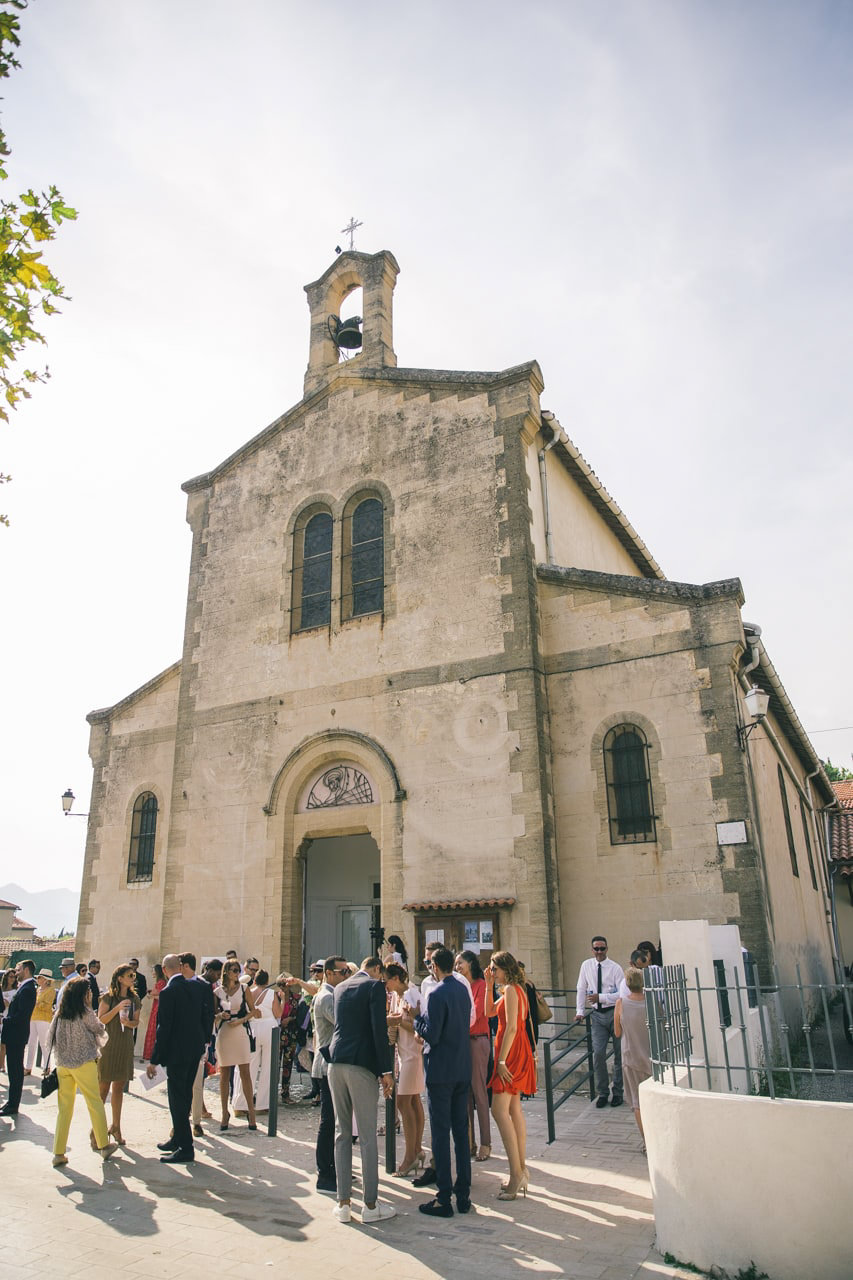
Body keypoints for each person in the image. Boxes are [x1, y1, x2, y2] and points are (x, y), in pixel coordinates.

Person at [327, 958, 396, 1224]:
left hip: (336, 1062)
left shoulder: (341, 987)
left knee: (342, 1133)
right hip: (361, 1065)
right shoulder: (374, 987)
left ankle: (343, 1202)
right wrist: (386, 1070)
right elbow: (378, 1029)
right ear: (377, 969)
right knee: (367, 1135)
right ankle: (370, 1204)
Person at [414, 945, 472, 1218]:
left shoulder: (436, 993)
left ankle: (443, 1197)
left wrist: (416, 1020)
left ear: (435, 967)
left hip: (440, 1070)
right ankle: (464, 1195)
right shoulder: (462, 989)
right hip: (462, 1067)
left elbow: (432, 1034)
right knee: (461, 1132)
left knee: (440, 1133)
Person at [46, 976, 118, 1166]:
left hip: (63, 1064)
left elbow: (50, 1037)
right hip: (84, 1062)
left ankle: (58, 1152)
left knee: (64, 1109)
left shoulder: (60, 1013)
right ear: (84, 993)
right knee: (95, 1103)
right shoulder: (85, 1011)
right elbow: (98, 1029)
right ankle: (104, 1145)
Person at [485, 950, 536, 1201]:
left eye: (495, 968)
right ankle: (521, 1170)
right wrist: (488, 986)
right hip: (512, 1047)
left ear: (505, 968)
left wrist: (502, 1060)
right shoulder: (511, 989)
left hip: (511, 1049)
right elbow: (489, 1013)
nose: (492, 972)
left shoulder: (514, 991)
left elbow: (514, 1026)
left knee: (499, 1110)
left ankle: (517, 1173)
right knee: (514, 1110)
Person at [147, 953, 207, 1163]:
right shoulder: (199, 987)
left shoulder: (169, 991)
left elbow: (164, 1029)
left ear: (164, 970)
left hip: (176, 1053)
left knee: (177, 1099)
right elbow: (206, 1018)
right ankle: (178, 1139)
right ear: (180, 967)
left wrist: (154, 1059)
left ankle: (185, 1147)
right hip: (194, 1050)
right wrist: (203, 1043)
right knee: (185, 1096)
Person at [311, 956, 349, 1193]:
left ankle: (336, 1167)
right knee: (328, 1120)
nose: (347, 976)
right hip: (327, 1065)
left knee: (336, 1119)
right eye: (343, 972)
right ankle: (325, 1172)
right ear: (330, 973)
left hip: (333, 1063)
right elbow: (342, 1023)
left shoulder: (332, 995)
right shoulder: (326, 997)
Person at [384, 962, 426, 1177]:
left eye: (388, 980)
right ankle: (416, 1149)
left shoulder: (410, 995)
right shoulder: (399, 997)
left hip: (412, 1053)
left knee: (403, 1102)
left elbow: (416, 1024)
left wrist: (397, 1021)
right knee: (413, 1101)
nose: (386, 984)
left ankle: (410, 1155)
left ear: (397, 978)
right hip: (406, 1053)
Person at [574, 935, 624, 1109]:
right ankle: (603, 1092)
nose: (599, 952)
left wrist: (601, 997)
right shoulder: (586, 966)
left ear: (607, 949)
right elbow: (581, 988)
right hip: (597, 1015)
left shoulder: (615, 968)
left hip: (614, 1013)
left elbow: (622, 994)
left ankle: (618, 1092)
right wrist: (579, 1011)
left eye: (602, 948)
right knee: (598, 1054)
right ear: (592, 950)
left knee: (619, 1054)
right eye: (596, 949)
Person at [97, 964, 141, 1144]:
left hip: (124, 1043)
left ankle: (116, 1126)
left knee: (119, 1087)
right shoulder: (108, 997)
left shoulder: (134, 998)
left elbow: (136, 1022)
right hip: (109, 1043)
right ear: (120, 978)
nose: (133, 977)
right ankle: (97, 1129)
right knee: (103, 1087)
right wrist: (117, 1009)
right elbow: (101, 1019)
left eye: (133, 975)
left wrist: (128, 1022)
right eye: (129, 975)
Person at [455, 950, 491, 1161]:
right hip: (462, 1041)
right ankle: (469, 1142)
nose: (457, 966)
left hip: (477, 1040)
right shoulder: (460, 986)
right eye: (455, 964)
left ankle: (486, 1143)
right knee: (464, 1094)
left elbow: (476, 1015)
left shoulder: (480, 984)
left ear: (470, 963)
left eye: (460, 963)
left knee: (479, 1092)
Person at [214, 959, 258, 1131]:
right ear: (226, 971)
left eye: (238, 970)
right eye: (233, 970)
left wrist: (240, 1020)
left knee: (245, 1072)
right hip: (224, 1031)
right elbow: (213, 1013)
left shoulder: (244, 988)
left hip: (239, 1030)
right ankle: (224, 1112)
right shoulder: (217, 991)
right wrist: (220, 1016)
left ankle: (251, 1113)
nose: (236, 973)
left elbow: (253, 1010)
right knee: (224, 1074)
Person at [614, 966, 652, 1153]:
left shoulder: (621, 1004)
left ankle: (647, 1142)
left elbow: (617, 1031)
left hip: (631, 1055)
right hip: (651, 1057)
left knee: (637, 1103)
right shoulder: (652, 1003)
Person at [233, 968, 277, 1113]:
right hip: (269, 1027)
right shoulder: (272, 993)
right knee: (268, 1066)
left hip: (252, 1027)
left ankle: (241, 1104)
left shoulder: (248, 993)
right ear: (267, 980)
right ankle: (263, 1104)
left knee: (248, 1066)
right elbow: (278, 1013)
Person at [0, 959, 37, 1115]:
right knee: (13, 1070)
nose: (16, 972)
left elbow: (22, 1015)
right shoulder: (25, 987)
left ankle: (13, 1105)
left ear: (26, 970)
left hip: (16, 1034)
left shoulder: (28, 989)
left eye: (18, 969)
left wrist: (4, 1020)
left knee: (15, 1071)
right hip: (14, 1034)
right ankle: (11, 1102)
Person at [188, 955, 218, 1132]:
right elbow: (207, 1014)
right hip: (200, 1039)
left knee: (192, 1082)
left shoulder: (191, 983)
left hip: (195, 1038)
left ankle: (192, 1118)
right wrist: (207, 1040)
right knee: (197, 1082)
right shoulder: (205, 986)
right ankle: (196, 1121)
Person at [275, 975, 303, 1103]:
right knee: (274, 1065)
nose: (283, 988)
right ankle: (271, 1093)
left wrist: (290, 1019)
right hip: (277, 1034)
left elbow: (300, 1016)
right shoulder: (274, 997)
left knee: (288, 1064)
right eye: (281, 985)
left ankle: (285, 1094)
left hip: (290, 1034)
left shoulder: (296, 998)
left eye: (285, 985)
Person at [25, 968, 56, 1076]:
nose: (38, 979)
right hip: (33, 1017)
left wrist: (36, 1002)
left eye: (40, 977)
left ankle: (47, 1066)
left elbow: (46, 1005)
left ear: (45, 979)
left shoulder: (51, 990)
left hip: (44, 1018)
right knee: (31, 1043)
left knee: (43, 1043)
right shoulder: (38, 989)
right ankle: (28, 1067)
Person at [142, 963, 167, 1061]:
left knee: (154, 1029)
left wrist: (151, 995)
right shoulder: (160, 982)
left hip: (158, 1008)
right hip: (155, 1007)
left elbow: (162, 996)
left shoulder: (161, 982)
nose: (152, 972)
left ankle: (153, 1054)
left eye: (153, 970)